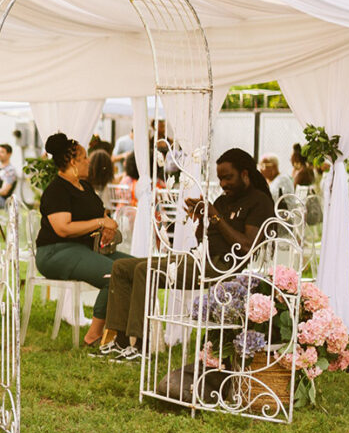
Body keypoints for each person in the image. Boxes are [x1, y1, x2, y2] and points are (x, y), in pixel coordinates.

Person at [103, 148, 275, 352]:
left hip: (223, 265)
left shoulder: (259, 201)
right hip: (200, 258)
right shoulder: (223, 200)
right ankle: (121, 341)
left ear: (244, 174)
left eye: (228, 178)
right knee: (121, 267)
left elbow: (247, 245)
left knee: (144, 270)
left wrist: (215, 216)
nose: (223, 184)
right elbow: (203, 239)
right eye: (220, 179)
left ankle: (139, 344)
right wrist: (202, 217)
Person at [34, 133, 131, 345]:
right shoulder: (56, 190)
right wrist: (99, 223)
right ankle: (95, 335)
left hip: (85, 250)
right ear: (72, 162)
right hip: (55, 252)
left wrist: (108, 226)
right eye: (84, 157)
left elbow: (100, 215)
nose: (89, 161)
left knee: (133, 268)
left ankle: (126, 334)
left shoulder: (85, 187)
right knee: (114, 275)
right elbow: (63, 229)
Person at [0, 143, 18, 209]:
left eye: (2, 152)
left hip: (2, 200)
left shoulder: (10, 170)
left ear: (9, 154)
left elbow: (4, 191)